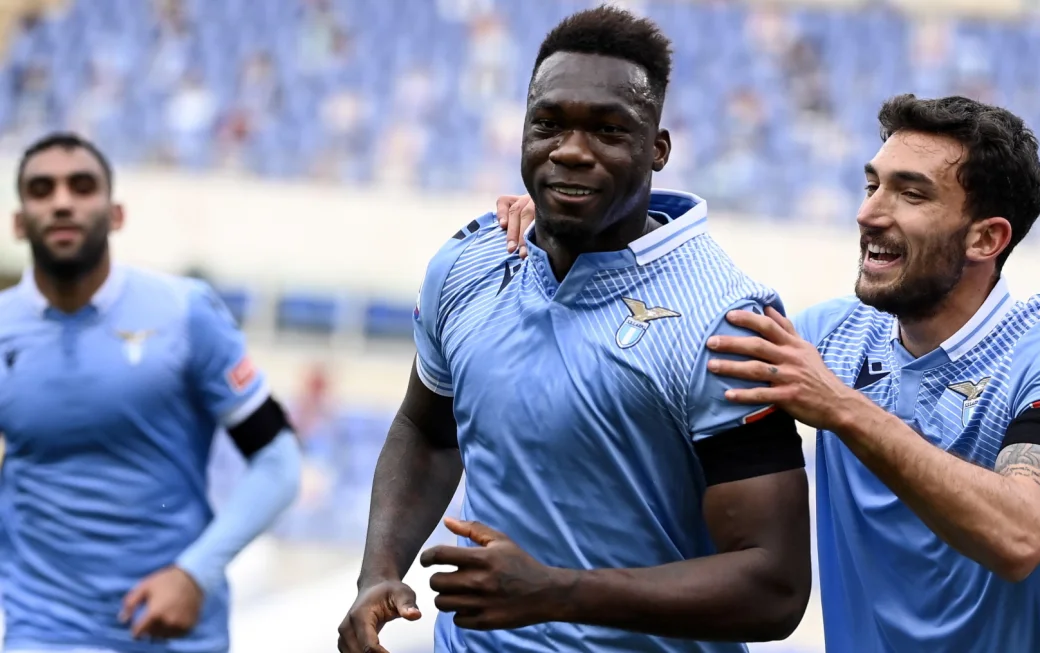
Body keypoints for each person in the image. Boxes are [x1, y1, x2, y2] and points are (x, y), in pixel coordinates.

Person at [497, 95, 1040, 652]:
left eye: (910, 193)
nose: (869, 212)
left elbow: (1019, 533)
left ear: (985, 238)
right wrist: (571, 236)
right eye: (871, 184)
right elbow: (671, 330)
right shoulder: (830, 336)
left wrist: (840, 406)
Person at [337, 7, 811, 653]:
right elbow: (426, 429)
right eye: (549, 124)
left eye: (608, 130)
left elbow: (773, 584)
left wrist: (558, 591)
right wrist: (379, 570)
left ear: (658, 148)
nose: (570, 150)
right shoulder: (466, 263)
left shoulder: (723, 318)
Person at [0, 132, 302, 653]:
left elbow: (278, 458)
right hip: (43, 628)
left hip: (177, 631)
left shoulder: (185, 313)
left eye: (82, 186)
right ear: (20, 222)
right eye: (42, 189)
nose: (63, 201)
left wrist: (194, 573)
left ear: (116, 214)